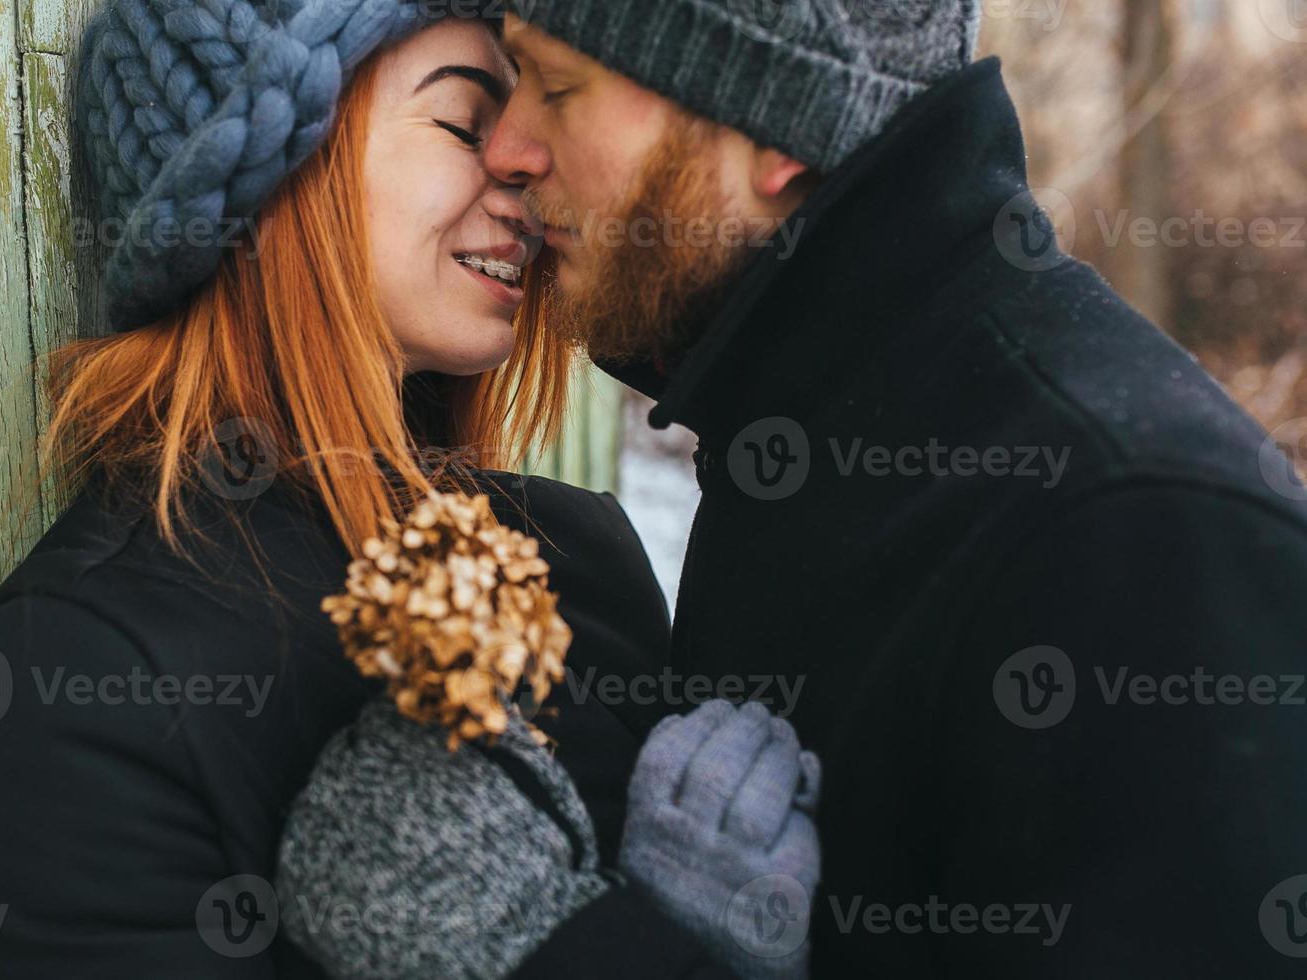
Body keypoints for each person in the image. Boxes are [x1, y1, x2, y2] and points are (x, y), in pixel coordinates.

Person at [308, 1, 1307, 976]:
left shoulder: (1142, 533)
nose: (510, 148)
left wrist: (560, 949)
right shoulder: (806, 427)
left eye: (559, 88)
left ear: (776, 131)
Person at [0, 3, 817, 977]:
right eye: (464, 123)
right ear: (271, 177)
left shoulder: (578, 558)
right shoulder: (88, 667)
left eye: (536, 114)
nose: (526, 160)